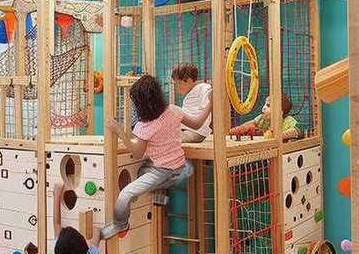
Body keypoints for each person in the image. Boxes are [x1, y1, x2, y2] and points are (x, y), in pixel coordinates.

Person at [101, 75, 211, 240]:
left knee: (125, 194)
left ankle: (120, 224)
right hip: (178, 164)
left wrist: (119, 131)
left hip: (164, 171)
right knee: (143, 169)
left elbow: (137, 153)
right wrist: (210, 105)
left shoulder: (145, 126)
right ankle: (161, 193)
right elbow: (197, 124)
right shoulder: (173, 110)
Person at [229, 93, 304, 141]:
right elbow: (247, 125)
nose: (263, 108)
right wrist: (239, 129)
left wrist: (278, 136)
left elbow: (298, 132)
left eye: (268, 105)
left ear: (279, 112)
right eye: (264, 104)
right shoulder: (262, 119)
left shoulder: (287, 121)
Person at [171, 63, 213, 143]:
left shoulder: (204, 89)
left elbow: (210, 107)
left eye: (178, 84)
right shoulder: (189, 94)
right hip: (185, 129)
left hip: (197, 131)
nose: (177, 88)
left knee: (174, 140)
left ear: (188, 80)